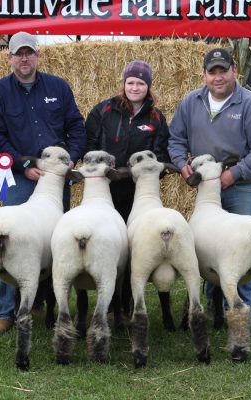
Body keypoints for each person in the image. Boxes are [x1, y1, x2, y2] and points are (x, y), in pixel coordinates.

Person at [0, 31, 86, 336]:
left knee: (54, 242)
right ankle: (6, 311)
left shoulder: (58, 86)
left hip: (55, 181)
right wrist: (23, 164)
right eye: (19, 53)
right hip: (19, 177)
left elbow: (76, 126)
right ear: (9, 58)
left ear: (37, 55)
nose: (24, 58)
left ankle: (43, 303)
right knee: (10, 241)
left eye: (29, 53)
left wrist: (71, 159)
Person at [167, 47, 251, 321]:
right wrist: (182, 165)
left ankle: (240, 316)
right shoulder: (191, 102)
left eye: (223, 71)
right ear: (204, 74)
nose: (218, 77)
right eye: (212, 72)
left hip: (237, 187)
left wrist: (235, 173)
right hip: (206, 186)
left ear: (234, 71)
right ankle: (215, 308)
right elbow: (176, 139)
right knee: (207, 248)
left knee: (245, 247)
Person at [86, 60, 170, 320]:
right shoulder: (103, 110)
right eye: (131, 82)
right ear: (124, 83)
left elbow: (160, 156)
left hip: (138, 195)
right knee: (110, 244)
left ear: (148, 86)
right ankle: (110, 303)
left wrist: (150, 172)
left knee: (133, 246)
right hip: (106, 191)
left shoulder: (156, 118)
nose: (135, 87)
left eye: (141, 83)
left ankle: (130, 302)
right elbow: (89, 147)